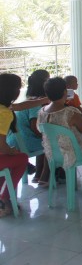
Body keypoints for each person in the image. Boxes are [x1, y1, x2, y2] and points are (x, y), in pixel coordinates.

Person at [37, 78, 82, 187]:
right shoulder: (70, 112)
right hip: (74, 153)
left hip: (53, 153)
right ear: (65, 92)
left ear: (47, 93)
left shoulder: (42, 112)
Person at [7, 70, 50, 185]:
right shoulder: (34, 104)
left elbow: (20, 106)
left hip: (12, 141)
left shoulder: (25, 101)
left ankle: (37, 173)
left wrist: (45, 100)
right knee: (51, 141)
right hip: (22, 143)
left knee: (43, 139)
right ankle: (45, 176)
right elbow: (35, 129)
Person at [0, 74, 29, 217]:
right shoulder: (4, 113)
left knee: (10, 159)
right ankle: (4, 198)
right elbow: (1, 145)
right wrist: (11, 151)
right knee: (22, 158)